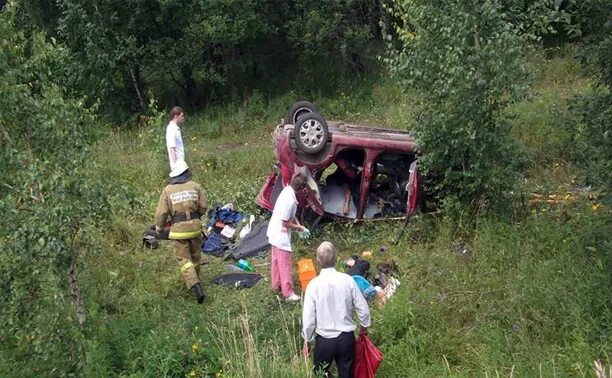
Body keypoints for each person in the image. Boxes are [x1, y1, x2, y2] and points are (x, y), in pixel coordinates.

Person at [302, 241, 371, 378]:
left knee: (321, 374)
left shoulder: (313, 285)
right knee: (347, 374)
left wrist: (307, 339)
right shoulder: (347, 280)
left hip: (324, 340)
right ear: (336, 257)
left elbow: (308, 317)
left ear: (318, 260)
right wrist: (364, 327)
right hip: (346, 339)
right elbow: (363, 308)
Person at [154, 159, 207, 303]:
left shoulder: (168, 190)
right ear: (187, 172)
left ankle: (195, 285)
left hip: (179, 231)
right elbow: (203, 206)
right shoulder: (196, 186)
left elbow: (161, 213)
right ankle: (195, 277)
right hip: (195, 228)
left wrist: (159, 228)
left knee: (184, 260)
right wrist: (196, 217)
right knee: (195, 256)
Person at [266, 172, 309, 302]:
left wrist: (298, 223)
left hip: (274, 232)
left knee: (276, 261)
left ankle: (276, 285)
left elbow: (290, 215)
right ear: (302, 189)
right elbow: (285, 222)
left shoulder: (287, 191)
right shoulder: (290, 201)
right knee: (285, 265)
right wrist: (299, 228)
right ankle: (288, 293)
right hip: (280, 235)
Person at [166, 106, 186, 171]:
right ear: (176, 116)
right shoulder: (171, 129)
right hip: (177, 166)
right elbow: (172, 149)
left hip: (180, 164)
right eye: (181, 116)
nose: (183, 118)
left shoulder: (175, 128)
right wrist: (176, 167)